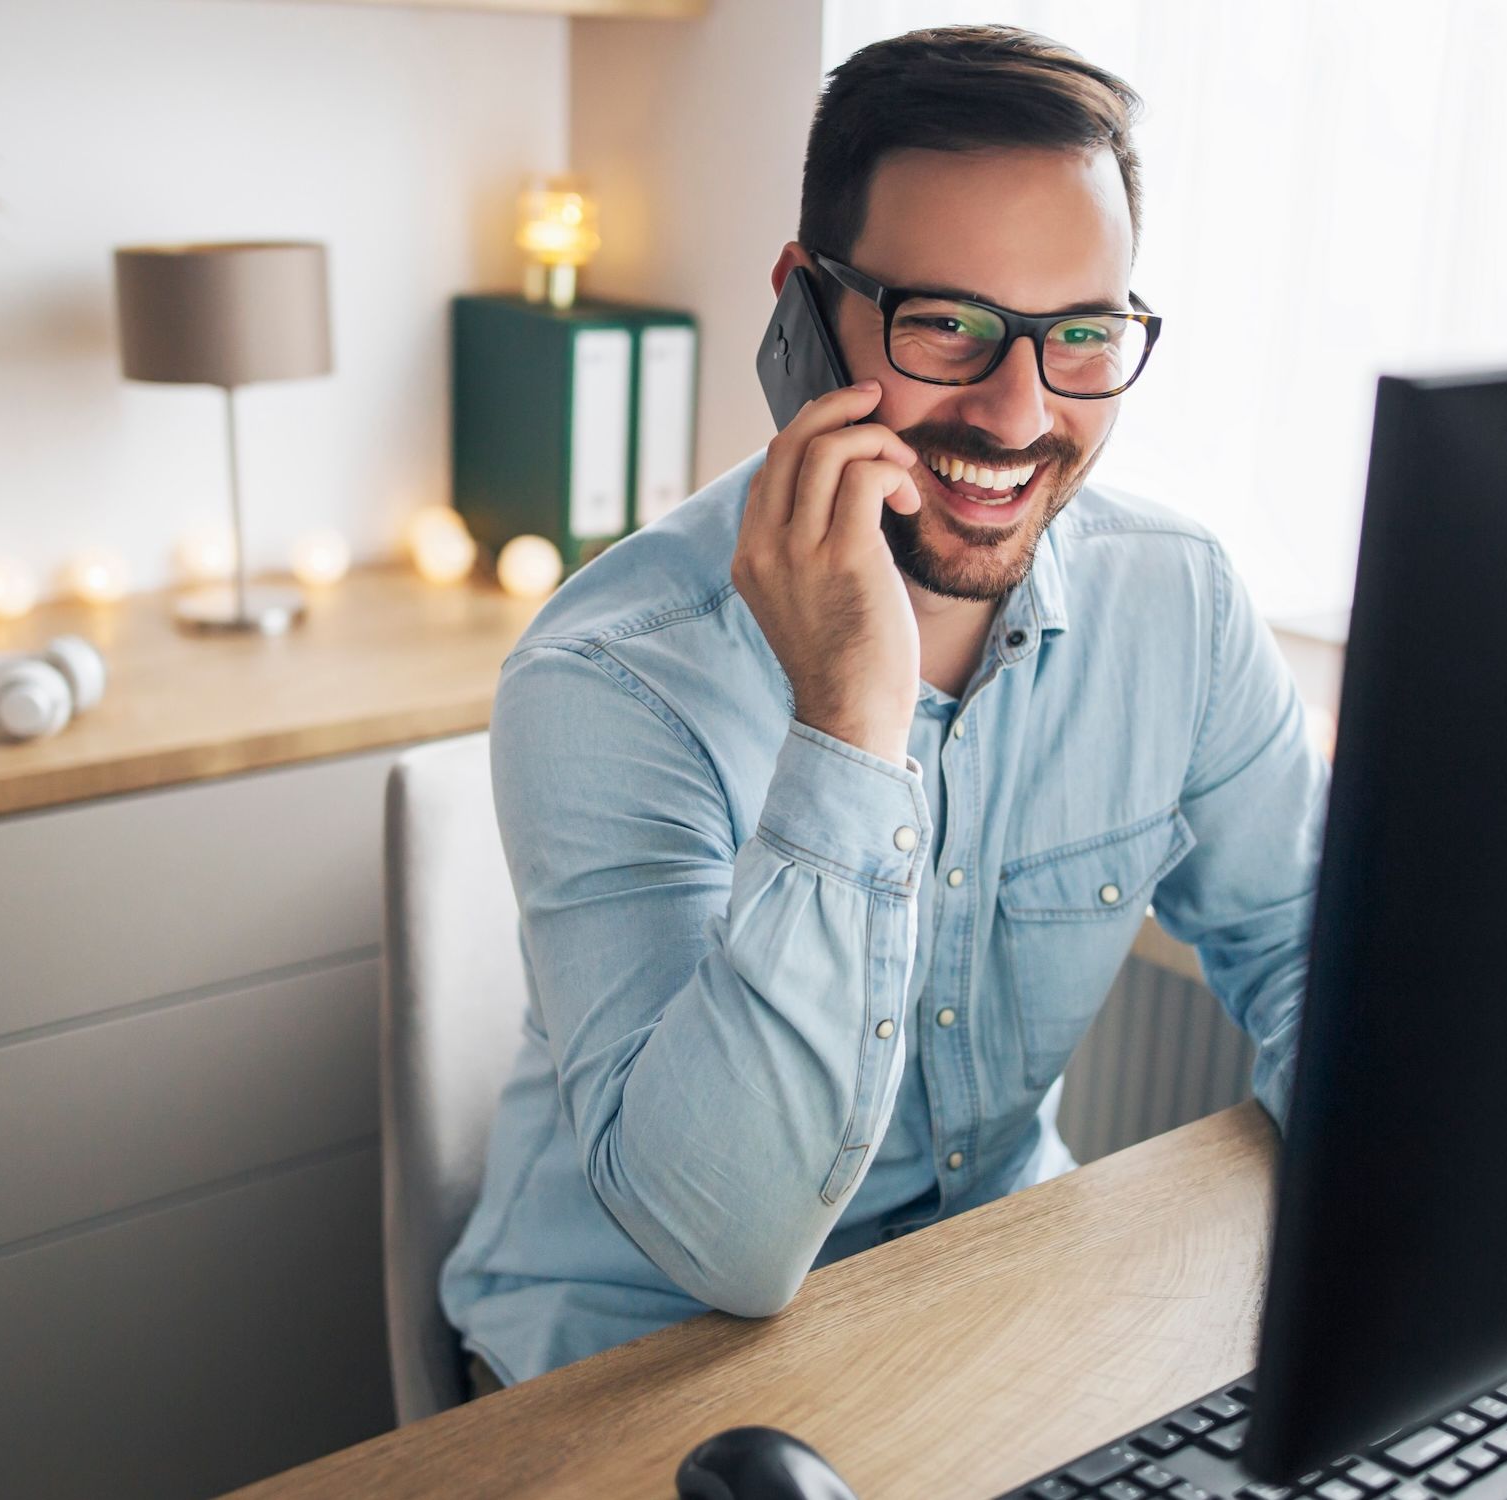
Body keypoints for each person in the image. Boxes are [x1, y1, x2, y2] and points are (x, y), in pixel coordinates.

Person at [439, 25, 1328, 1392]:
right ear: (801, 309)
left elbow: (1314, 952)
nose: (1021, 412)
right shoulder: (610, 672)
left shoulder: (1183, 605)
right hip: (629, 1356)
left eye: (1080, 334)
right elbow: (726, 1251)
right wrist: (849, 717)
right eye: (949, 325)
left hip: (987, 1298)